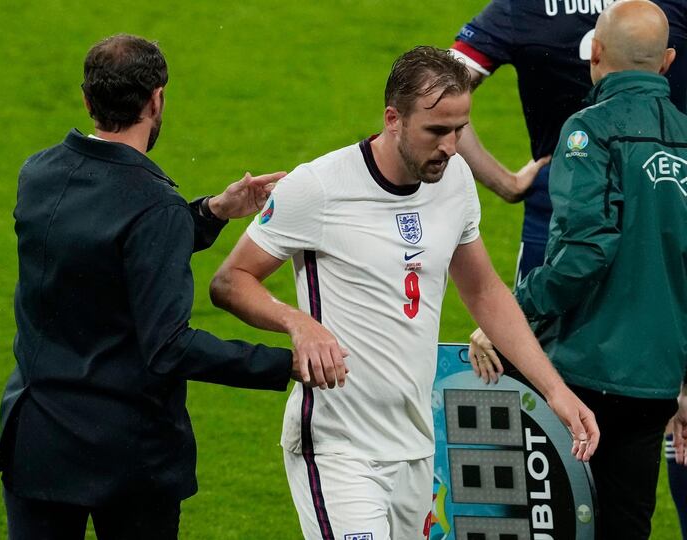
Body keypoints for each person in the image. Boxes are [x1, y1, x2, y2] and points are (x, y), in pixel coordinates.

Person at [209, 46, 599, 540]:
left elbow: (483, 290)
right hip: (338, 446)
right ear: (393, 119)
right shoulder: (318, 188)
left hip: (416, 447)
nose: (451, 146)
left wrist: (555, 390)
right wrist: (299, 323)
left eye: (459, 130)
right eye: (436, 131)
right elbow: (229, 281)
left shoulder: (454, 179)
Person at [0, 34, 339, 540]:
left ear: (87, 100)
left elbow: (99, 247)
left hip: (37, 440)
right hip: (128, 457)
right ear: (157, 99)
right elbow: (169, 347)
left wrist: (210, 212)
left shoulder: (38, 173)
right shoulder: (153, 206)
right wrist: (286, 363)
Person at [469, 2, 687, 538]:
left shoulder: (588, 131)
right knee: (627, 523)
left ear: (594, 53)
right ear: (669, 60)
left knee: (546, 522)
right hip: (656, 381)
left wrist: (510, 317)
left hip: (584, 372)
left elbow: (584, 253)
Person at [451, 0, 686, 287]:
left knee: (531, 329)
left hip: (559, 208)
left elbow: (440, 88)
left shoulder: (522, 7)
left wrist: (505, 183)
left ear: (595, 53)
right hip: (666, 196)